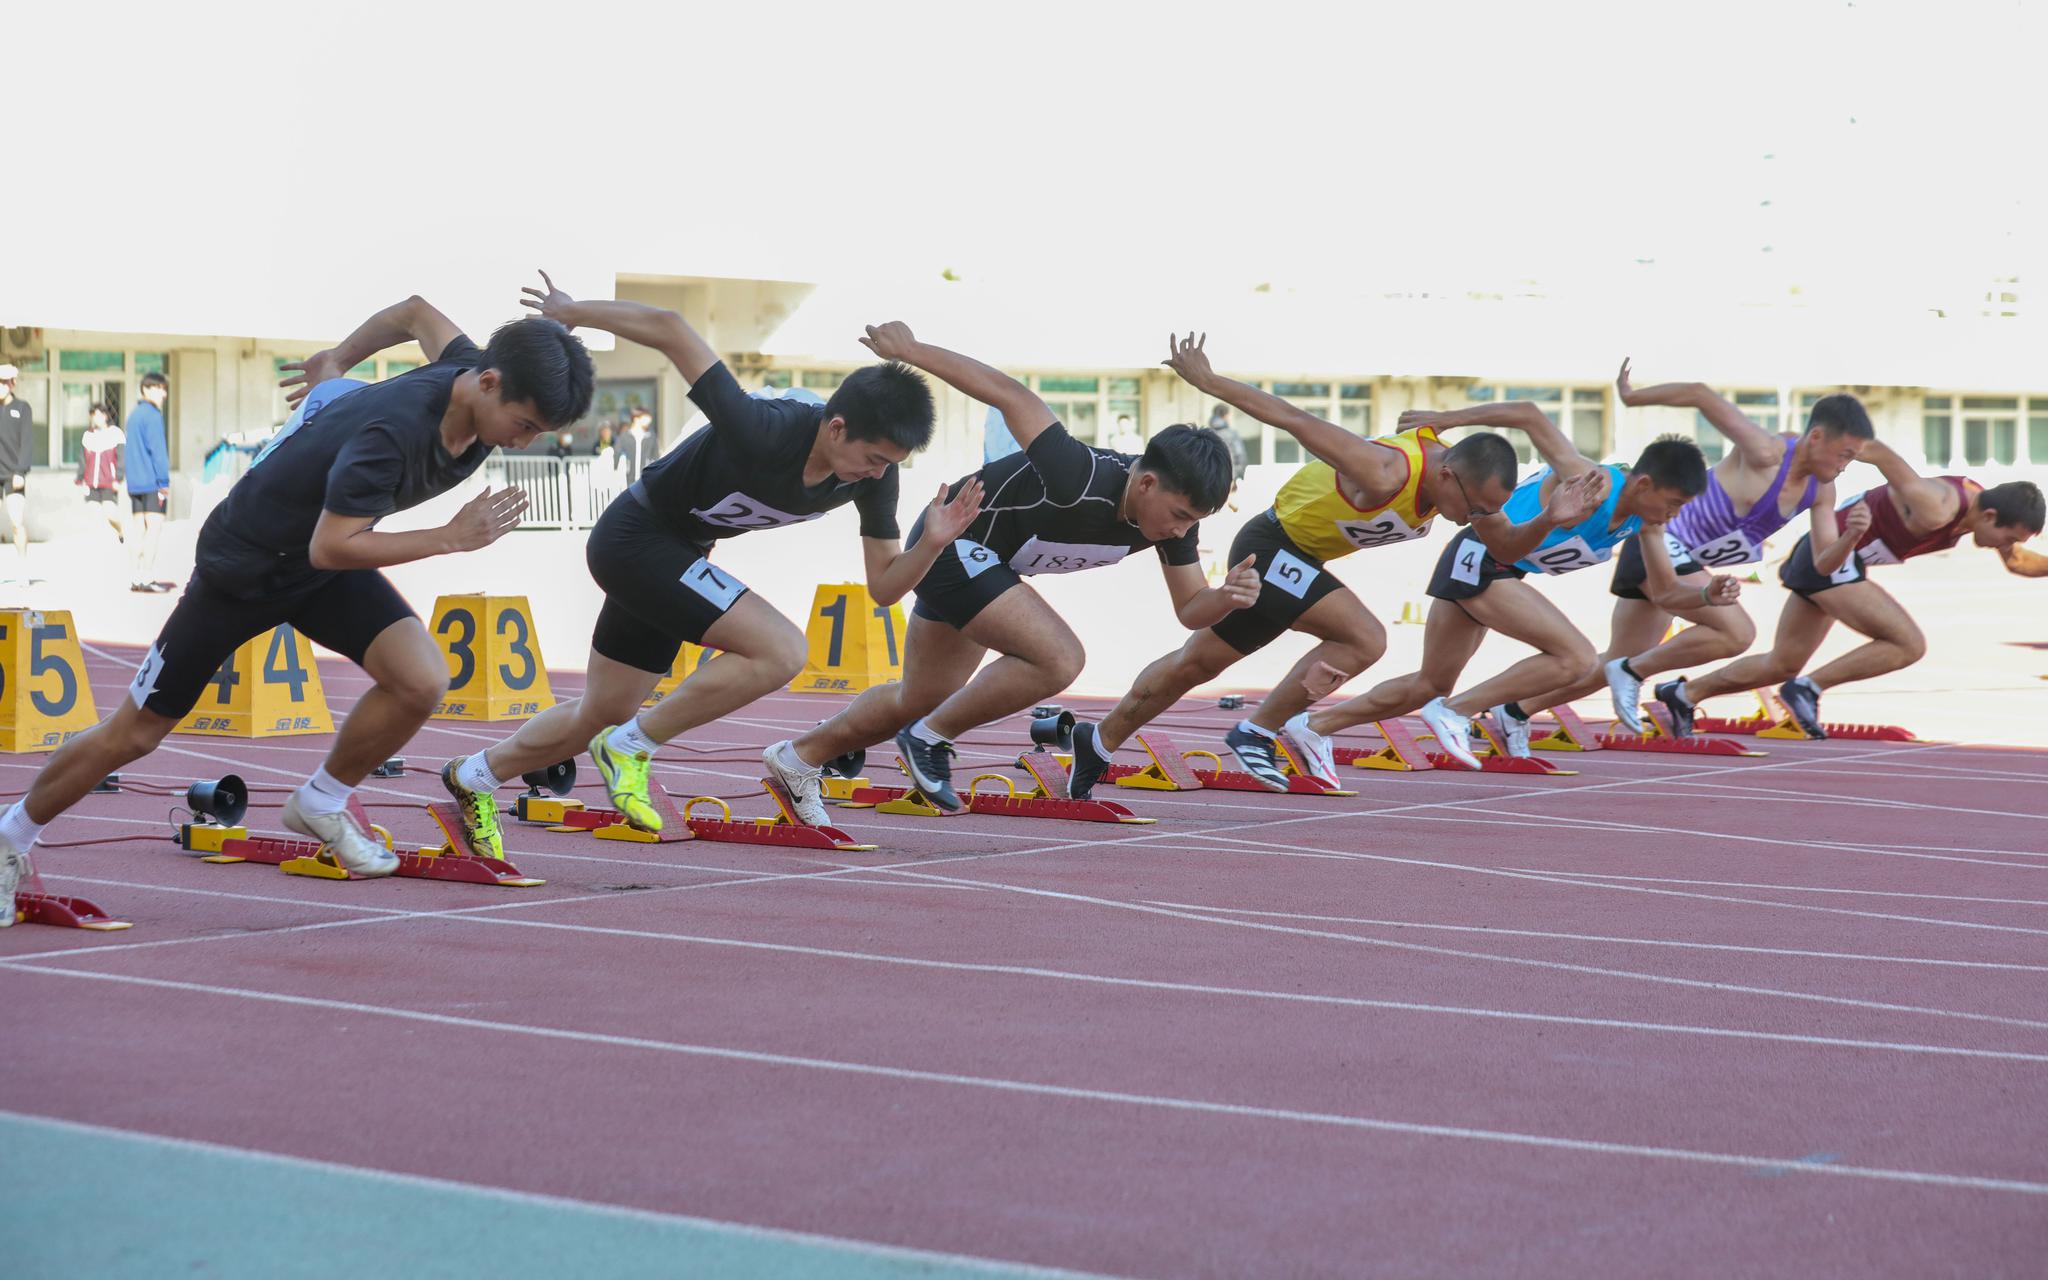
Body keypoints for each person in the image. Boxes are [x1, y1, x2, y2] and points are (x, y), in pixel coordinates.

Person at [0, 292, 593, 924]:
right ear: (491, 382)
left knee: (421, 679)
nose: (524, 444)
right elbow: (335, 544)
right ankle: (10, 838)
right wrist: (449, 538)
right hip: (245, 569)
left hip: (313, 568)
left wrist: (335, 359)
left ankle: (321, 799)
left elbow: (415, 311)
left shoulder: (472, 367)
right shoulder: (392, 436)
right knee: (136, 733)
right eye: (524, 426)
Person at [440, 277, 968, 853]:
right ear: (836, 427)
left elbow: (886, 587)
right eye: (871, 459)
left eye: (889, 464)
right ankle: (631, 748)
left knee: (604, 709)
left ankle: (473, 776)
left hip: (677, 556)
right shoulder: (764, 430)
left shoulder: (874, 479)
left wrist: (932, 543)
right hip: (634, 537)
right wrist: (572, 311)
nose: (876, 473)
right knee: (781, 650)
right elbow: (672, 329)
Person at [1069, 333, 1597, 796]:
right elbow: (1293, 418)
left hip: (1298, 559)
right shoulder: (1386, 470)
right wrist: (1209, 382)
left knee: (1197, 664)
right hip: (1272, 543)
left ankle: (1097, 739)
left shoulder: (1467, 490)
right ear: (1448, 477)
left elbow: (1504, 549)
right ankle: (1258, 731)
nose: (1476, 519)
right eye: (1474, 507)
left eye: (1485, 511)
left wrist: (1550, 518)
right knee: (1364, 638)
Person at [763, 323, 1249, 819]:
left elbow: (1191, 610)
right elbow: (1009, 395)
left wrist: (1227, 596)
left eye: (1192, 522)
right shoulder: (1078, 475)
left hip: (989, 567)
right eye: (1182, 517)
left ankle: (798, 757)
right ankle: (928, 739)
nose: (1180, 531)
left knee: (922, 696)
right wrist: (911, 351)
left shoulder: (1173, 525)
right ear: (1147, 483)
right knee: (1058, 659)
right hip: (953, 539)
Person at [1301, 402, 1736, 767]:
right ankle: (1456, 712)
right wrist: (1448, 419)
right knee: (1576, 658)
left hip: (1498, 567)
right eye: (1674, 503)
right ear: (1644, 484)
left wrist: (1704, 595)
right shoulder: (1595, 481)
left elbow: (1663, 593)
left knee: (1428, 683)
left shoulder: (1648, 521)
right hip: (1483, 555)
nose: (1676, 514)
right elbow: (1530, 415)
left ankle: (1309, 727)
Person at [1508, 361, 1873, 736]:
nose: (1846, 465)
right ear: (1815, 438)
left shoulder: (1822, 492)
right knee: (1735, 633)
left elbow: (1824, 565)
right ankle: (1633, 673)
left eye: (1854, 457)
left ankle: (1514, 711)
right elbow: (1700, 394)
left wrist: (1851, 537)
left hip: (1683, 561)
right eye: (1844, 453)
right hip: (1661, 539)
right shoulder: (1766, 453)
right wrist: (1633, 398)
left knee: (1609, 666)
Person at [1677, 440, 2046, 736]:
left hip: (1831, 562)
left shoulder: (1982, 515)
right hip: (1830, 553)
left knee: (1782, 663)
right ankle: (1806, 689)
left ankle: (1682, 694)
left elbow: (2018, 563)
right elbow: (1879, 451)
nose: (2005, 545)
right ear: (1991, 516)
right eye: (2008, 537)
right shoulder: (1939, 503)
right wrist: (1818, 457)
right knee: (1907, 644)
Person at [124, 372, 173, 593]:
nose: (163, 393)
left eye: (164, 389)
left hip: (135, 483)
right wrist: (164, 481)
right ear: (146, 389)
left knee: (138, 530)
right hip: (153, 482)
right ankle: (148, 577)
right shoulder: (153, 416)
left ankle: (134, 576)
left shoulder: (133, 416)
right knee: (154, 528)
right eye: (159, 388)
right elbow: (158, 452)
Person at [76, 403, 126, 542]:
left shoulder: (115, 433)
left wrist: (119, 478)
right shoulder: (88, 436)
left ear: (105, 416)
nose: (95, 418)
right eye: (92, 415)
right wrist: (80, 479)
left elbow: (122, 458)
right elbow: (82, 460)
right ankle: (97, 544)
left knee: (110, 513)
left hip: (109, 481)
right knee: (94, 513)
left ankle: (120, 530)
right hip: (91, 482)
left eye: (98, 415)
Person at [0, 363, 34, 569]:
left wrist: (21, 471)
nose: (1, 386)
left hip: (13, 474)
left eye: (5, 382)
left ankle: (22, 568)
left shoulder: (22, 408)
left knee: (16, 522)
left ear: (12, 383)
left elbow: (27, 442)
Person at [620, 404, 656, 482]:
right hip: (627, 480)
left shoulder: (651, 436)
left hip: (645, 480)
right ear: (636, 418)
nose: (649, 419)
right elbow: (617, 456)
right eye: (646, 417)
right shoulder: (625, 436)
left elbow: (656, 457)